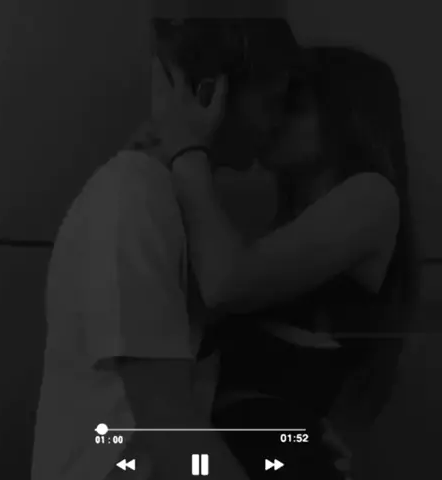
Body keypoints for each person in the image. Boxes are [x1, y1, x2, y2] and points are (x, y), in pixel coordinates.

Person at [30, 17, 301, 480]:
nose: (277, 124)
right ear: (209, 96)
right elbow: (168, 423)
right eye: (271, 103)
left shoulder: (168, 202)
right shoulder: (134, 200)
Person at [157, 45, 418, 479]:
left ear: (345, 118)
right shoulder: (284, 229)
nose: (272, 119)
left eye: (292, 105)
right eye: (273, 102)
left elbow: (224, 284)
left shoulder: (371, 196)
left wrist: (187, 150)